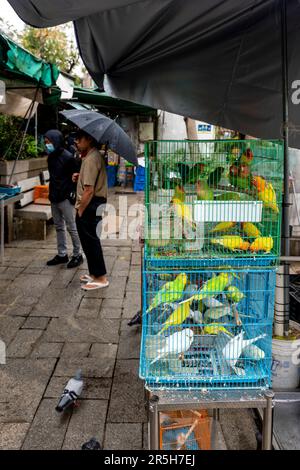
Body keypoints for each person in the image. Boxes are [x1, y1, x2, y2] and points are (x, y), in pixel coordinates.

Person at [74, 130, 109, 290]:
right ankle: (94, 273)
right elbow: (89, 180)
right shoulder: (91, 156)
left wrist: (80, 210)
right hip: (94, 203)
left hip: (90, 204)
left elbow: (89, 190)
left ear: (88, 139)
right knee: (88, 241)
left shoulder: (91, 158)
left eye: (79, 139)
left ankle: (101, 277)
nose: (76, 142)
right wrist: (78, 177)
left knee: (91, 241)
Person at [44, 130, 83, 268]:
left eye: (49, 142)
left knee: (71, 227)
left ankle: (78, 255)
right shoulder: (50, 157)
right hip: (54, 197)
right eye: (46, 142)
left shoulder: (68, 157)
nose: (47, 145)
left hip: (65, 198)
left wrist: (72, 194)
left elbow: (76, 177)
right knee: (59, 227)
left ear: (56, 141)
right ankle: (62, 254)